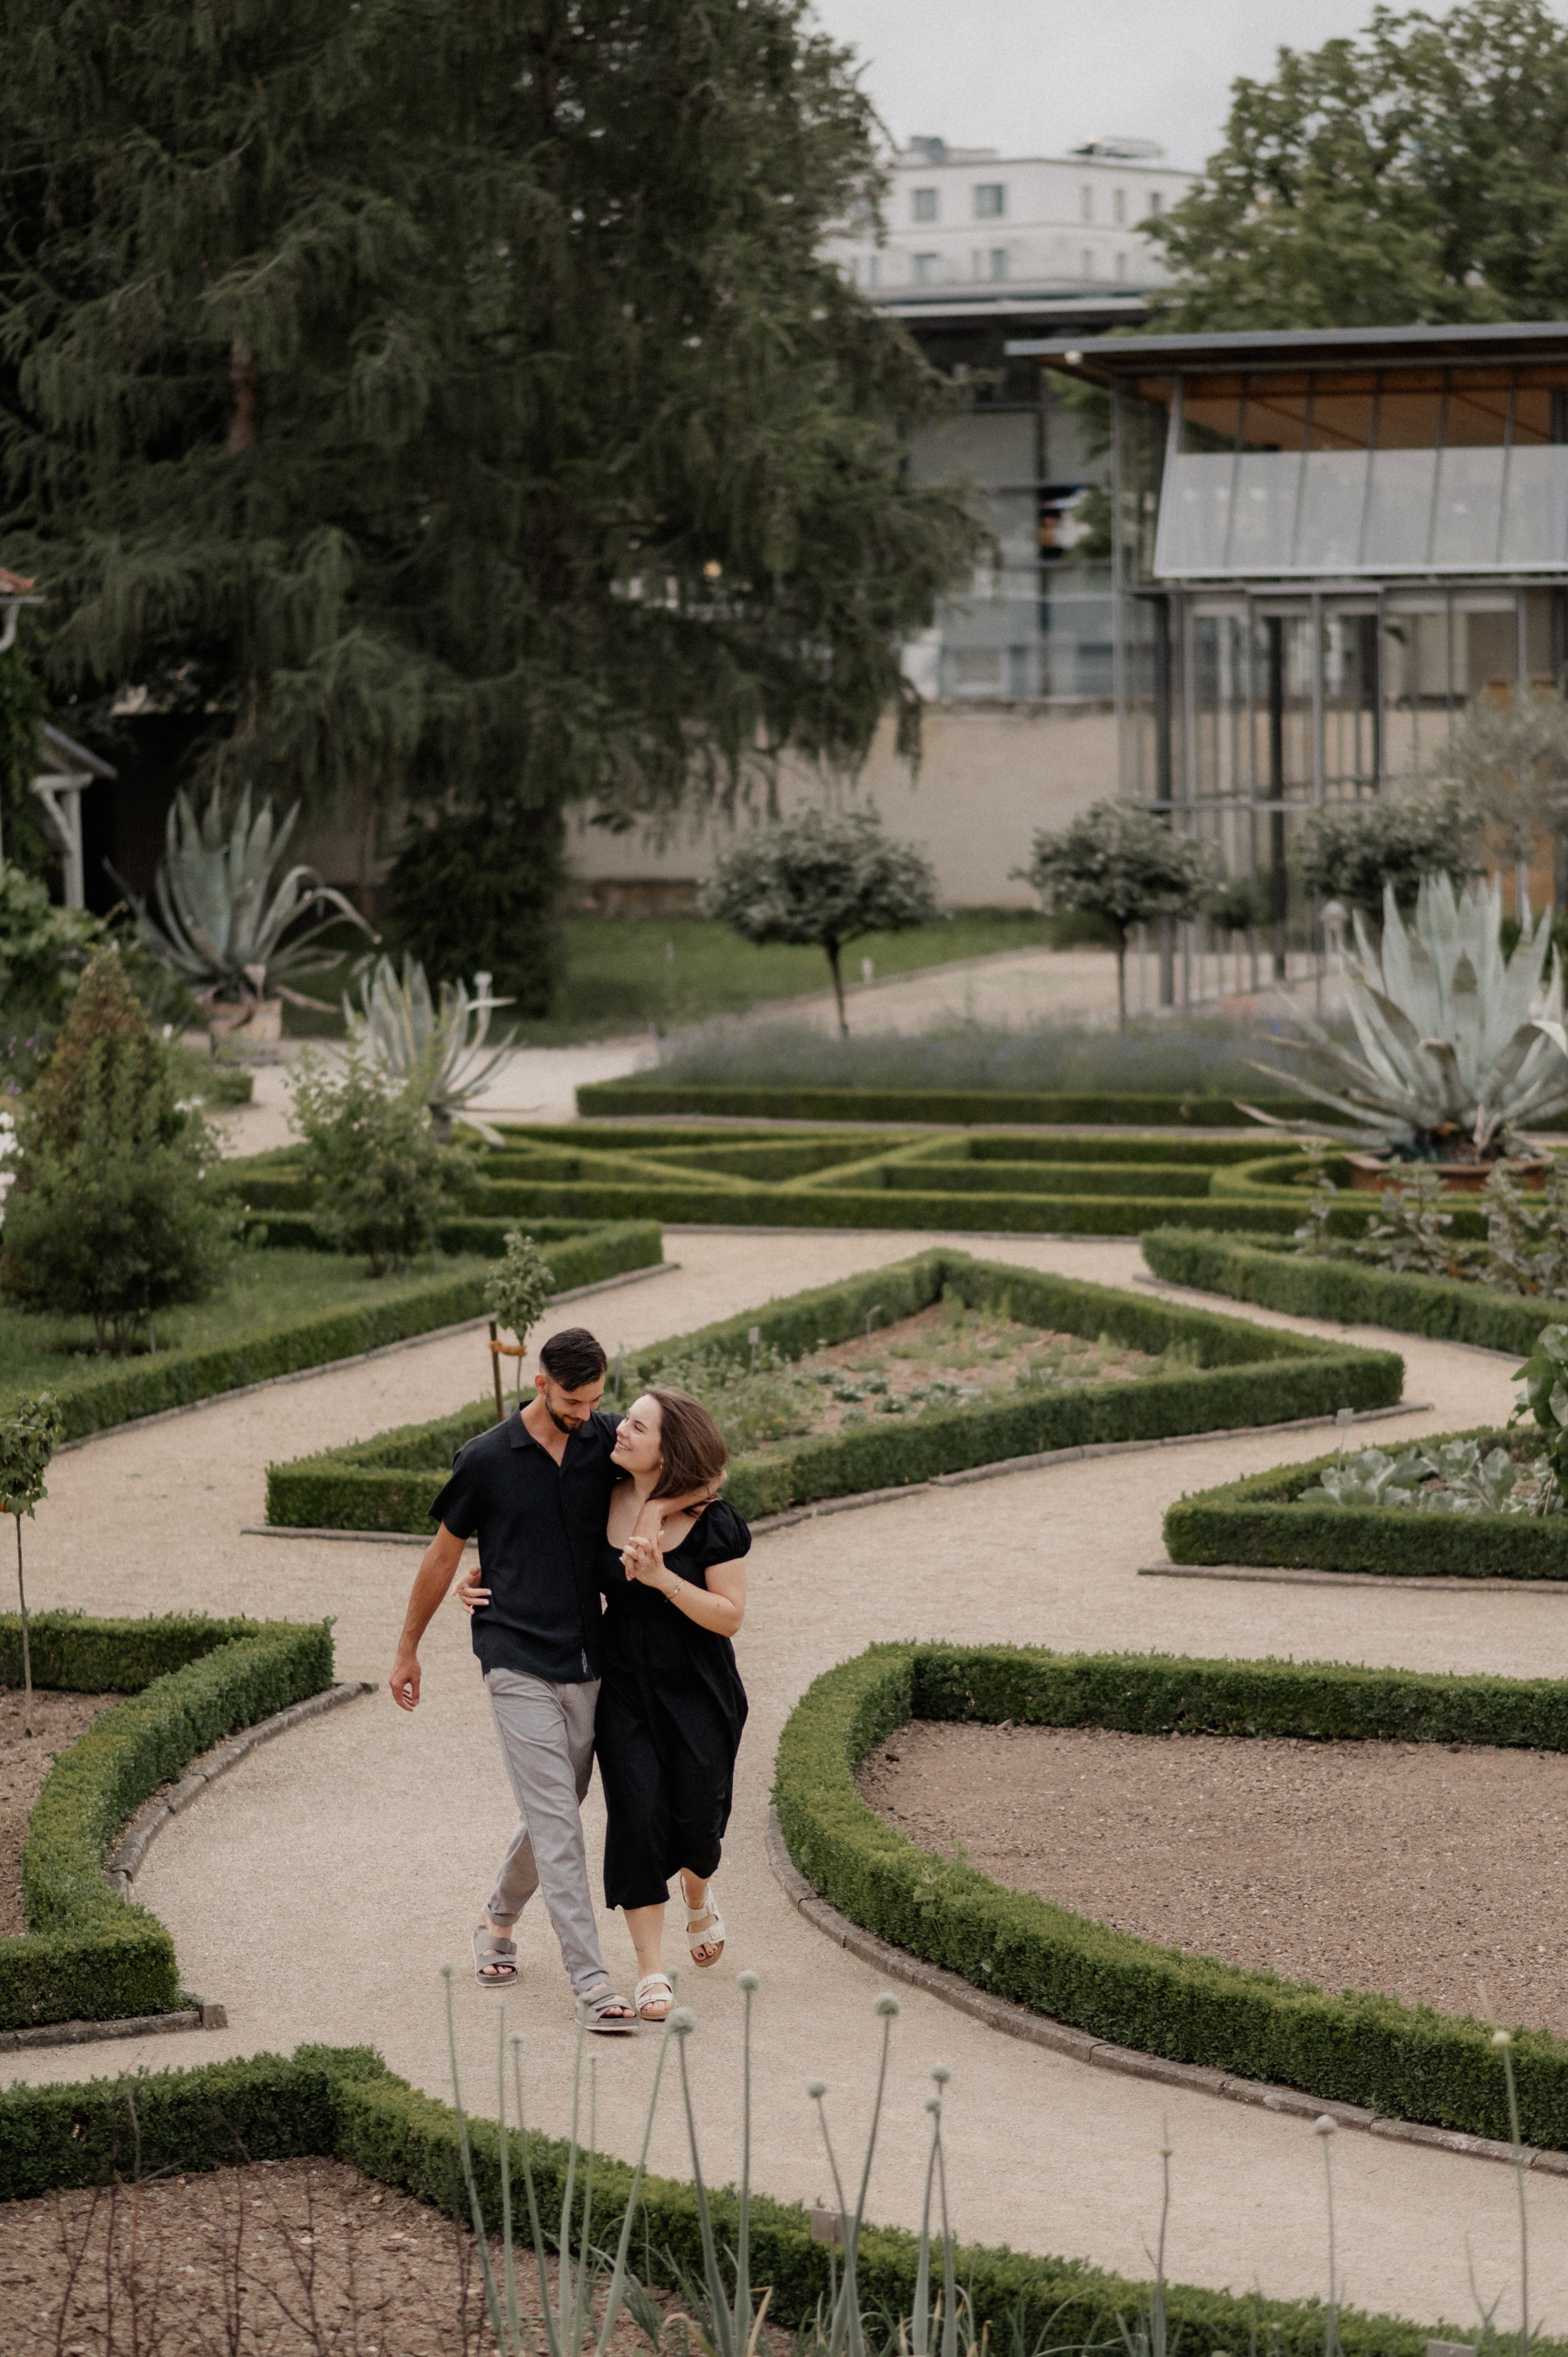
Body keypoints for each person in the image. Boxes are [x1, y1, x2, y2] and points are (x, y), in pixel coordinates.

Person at [386, 1325, 704, 2032]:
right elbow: (442, 1557)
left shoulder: (604, 1442)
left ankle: (496, 1918)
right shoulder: (486, 1459)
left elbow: (703, 1473)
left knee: (556, 1805)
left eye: (595, 1398)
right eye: (572, 1399)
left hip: (591, 1658)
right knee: (560, 1818)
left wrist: (653, 1513)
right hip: (514, 1656)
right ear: (539, 1382)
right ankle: (592, 1981)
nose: (585, 1412)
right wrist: (409, 1647)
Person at [598, 1386, 750, 2023]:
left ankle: (699, 1888)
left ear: (670, 1447)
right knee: (635, 1815)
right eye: (626, 1418)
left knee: (697, 1825)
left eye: (638, 1424)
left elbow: (730, 1616)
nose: (622, 1429)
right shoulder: (597, 1493)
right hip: (623, 1684)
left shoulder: (715, 1520)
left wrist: (662, 1577)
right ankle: (651, 1970)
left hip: (699, 1689)